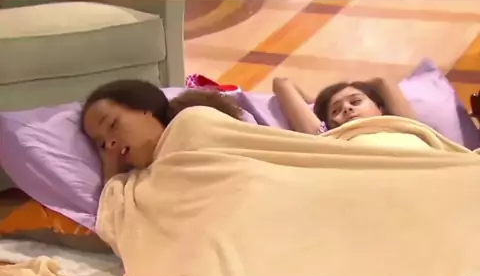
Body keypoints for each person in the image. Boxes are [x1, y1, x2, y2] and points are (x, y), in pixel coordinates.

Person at [81, 79, 244, 182]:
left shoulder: (194, 121)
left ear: (144, 108)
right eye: (101, 144)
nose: (109, 144)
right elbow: (112, 213)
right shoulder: (135, 187)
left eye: (112, 124)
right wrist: (111, 173)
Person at [272, 76, 418, 135]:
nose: (347, 109)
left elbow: (382, 82)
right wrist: (312, 103)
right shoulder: (328, 139)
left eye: (356, 101)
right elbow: (281, 83)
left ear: (380, 109)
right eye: (336, 111)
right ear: (330, 126)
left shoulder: (407, 127)